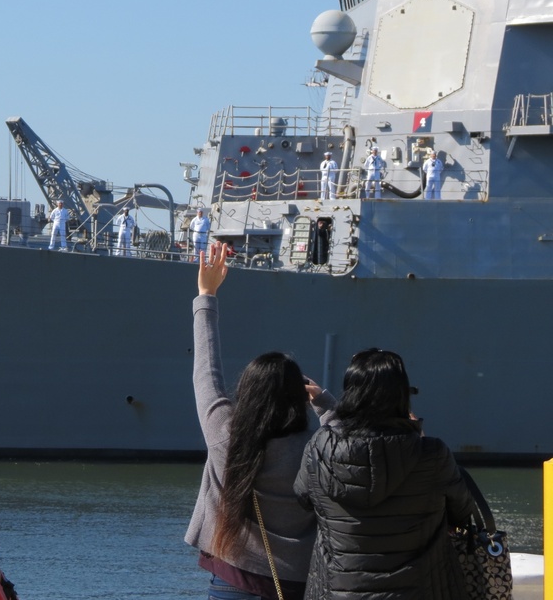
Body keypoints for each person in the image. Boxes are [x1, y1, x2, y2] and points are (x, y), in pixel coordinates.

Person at [186, 242, 334, 600]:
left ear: (247, 392)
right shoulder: (315, 448)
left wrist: (207, 296)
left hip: (231, 578)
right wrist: (325, 403)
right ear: (297, 395)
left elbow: (206, 370)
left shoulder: (225, 433)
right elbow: (346, 441)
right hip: (294, 585)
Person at [294, 348, 475, 599]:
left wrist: (328, 410)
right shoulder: (432, 454)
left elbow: (304, 498)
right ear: (402, 394)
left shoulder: (319, 447)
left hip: (339, 590)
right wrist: (417, 437)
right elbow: (462, 511)